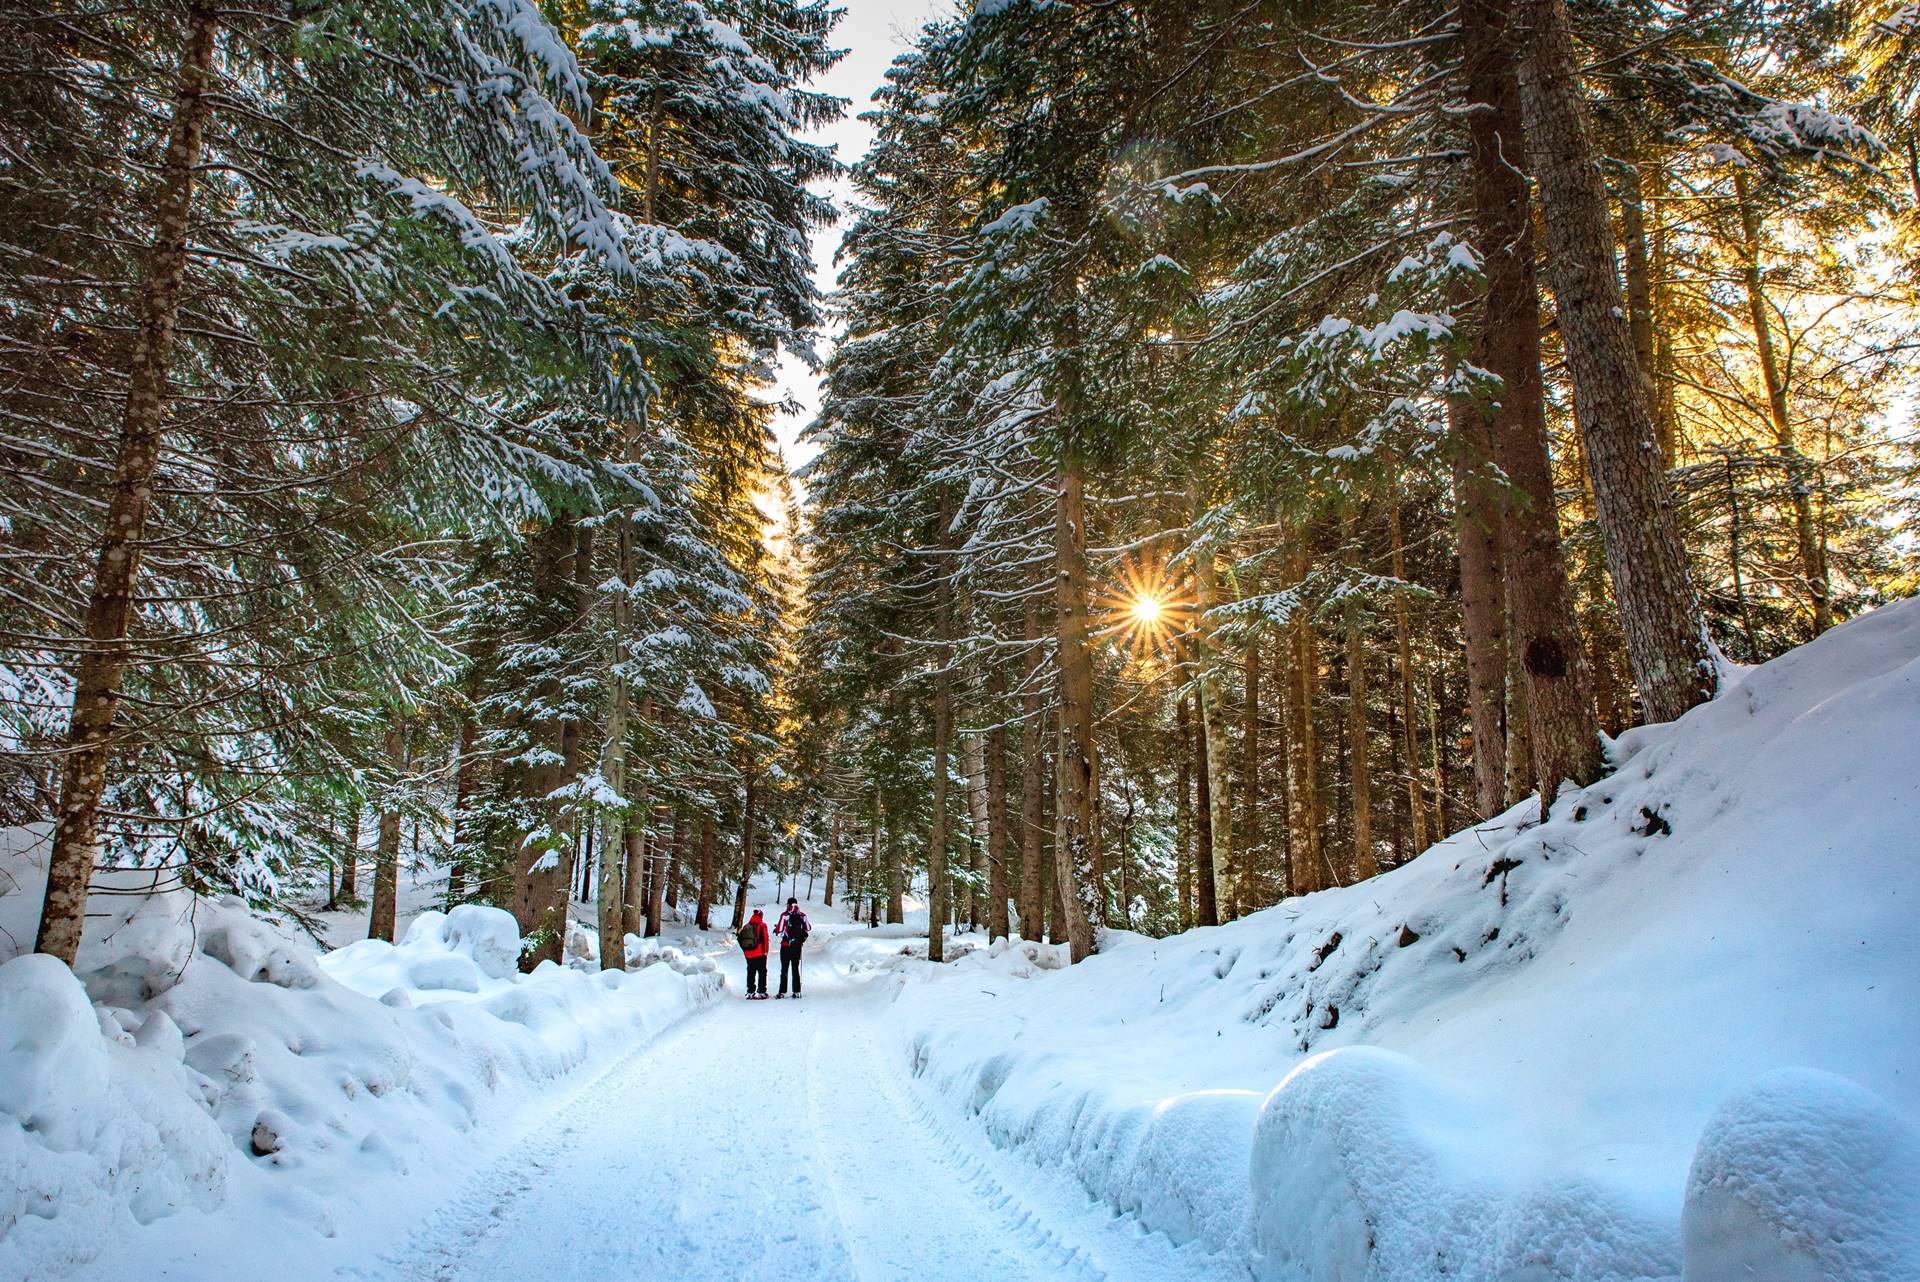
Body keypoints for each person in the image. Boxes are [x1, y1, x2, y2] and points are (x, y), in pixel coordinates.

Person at [774, 897, 810, 999]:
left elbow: (779, 930)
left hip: (786, 946)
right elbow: (808, 928)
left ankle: (782, 992)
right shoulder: (802, 915)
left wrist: (776, 930)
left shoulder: (785, 915)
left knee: (784, 969)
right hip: (797, 946)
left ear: (788, 905)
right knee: (795, 968)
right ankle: (796, 991)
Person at [737, 909, 770, 999]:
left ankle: (750, 992)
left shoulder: (746, 926)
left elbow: (740, 939)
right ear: (761, 916)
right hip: (760, 953)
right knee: (762, 972)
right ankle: (762, 991)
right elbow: (765, 940)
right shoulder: (762, 926)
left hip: (749, 954)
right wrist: (766, 952)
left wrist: (745, 951)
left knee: (751, 972)